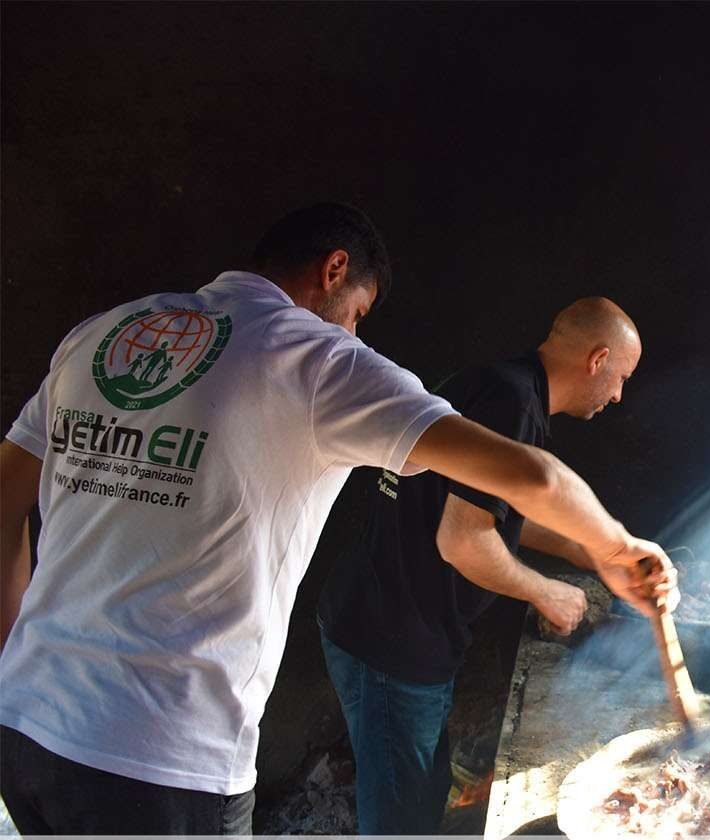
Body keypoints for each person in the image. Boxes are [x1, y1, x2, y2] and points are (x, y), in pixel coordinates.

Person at [0, 203, 674, 834]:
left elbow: (4, 502)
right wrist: (616, 549)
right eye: (358, 310)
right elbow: (534, 477)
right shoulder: (318, 360)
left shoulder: (105, 333)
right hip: (158, 758)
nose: (355, 329)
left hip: (23, 729)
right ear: (334, 271)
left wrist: (18, 665)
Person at [317, 296, 654, 833]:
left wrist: (583, 550)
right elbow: (464, 541)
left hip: (394, 626)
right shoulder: (512, 402)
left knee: (422, 795)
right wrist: (546, 591)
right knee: (399, 820)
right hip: (389, 640)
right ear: (598, 359)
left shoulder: (504, 385)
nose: (618, 394)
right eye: (622, 377)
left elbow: (485, 511)